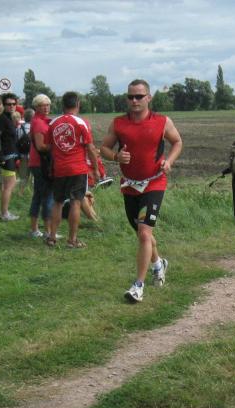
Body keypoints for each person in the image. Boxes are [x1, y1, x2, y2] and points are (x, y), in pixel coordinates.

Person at [100, 79, 183, 303]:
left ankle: (138, 286)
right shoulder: (119, 123)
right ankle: (158, 263)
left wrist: (169, 161)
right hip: (129, 185)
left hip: (154, 183)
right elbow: (104, 148)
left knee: (145, 233)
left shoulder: (162, 121)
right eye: (131, 97)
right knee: (142, 233)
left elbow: (177, 142)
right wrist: (116, 156)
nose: (134, 100)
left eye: (139, 96)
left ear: (149, 97)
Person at [40, 91, 100, 248]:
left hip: (59, 169)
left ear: (62, 105)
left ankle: (52, 237)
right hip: (77, 169)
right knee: (75, 203)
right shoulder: (81, 123)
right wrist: (96, 169)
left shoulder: (53, 123)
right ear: (78, 104)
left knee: (58, 203)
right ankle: (72, 240)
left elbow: (48, 146)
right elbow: (90, 148)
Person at [28, 94, 54, 239]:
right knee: (47, 196)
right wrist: (55, 146)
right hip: (40, 163)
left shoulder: (42, 121)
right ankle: (48, 232)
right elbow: (40, 146)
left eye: (48, 105)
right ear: (36, 107)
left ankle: (34, 229)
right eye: (42, 105)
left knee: (38, 196)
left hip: (36, 162)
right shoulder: (38, 122)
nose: (46, 107)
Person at [0, 93, 21, 221]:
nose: (12, 106)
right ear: (4, 105)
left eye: (14, 104)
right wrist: (0, 157)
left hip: (10, 155)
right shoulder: (2, 120)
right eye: (9, 104)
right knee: (9, 185)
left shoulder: (9, 118)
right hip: (6, 157)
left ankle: (3, 212)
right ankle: (4, 214)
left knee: (7, 185)